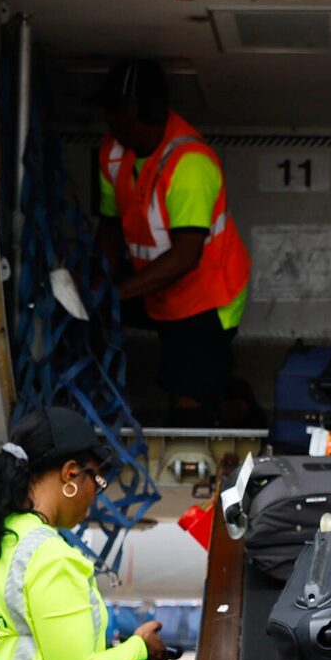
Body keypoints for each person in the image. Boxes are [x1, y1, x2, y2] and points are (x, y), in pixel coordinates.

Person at [0, 404, 172, 660]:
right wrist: (138, 647)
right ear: (71, 474)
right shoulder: (51, 557)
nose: (94, 498)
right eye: (96, 482)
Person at [96, 59, 253, 424]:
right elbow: (108, 226)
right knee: (85, 320)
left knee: (187, 408)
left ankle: (236, 407)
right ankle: (220, 389)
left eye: (120, 110)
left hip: (208, 296)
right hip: (155, 288)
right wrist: (99, 284)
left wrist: (114, 294)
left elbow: (185, 257)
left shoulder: (190, 165)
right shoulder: (113, 151)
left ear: (148, 110)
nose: (111, 119)